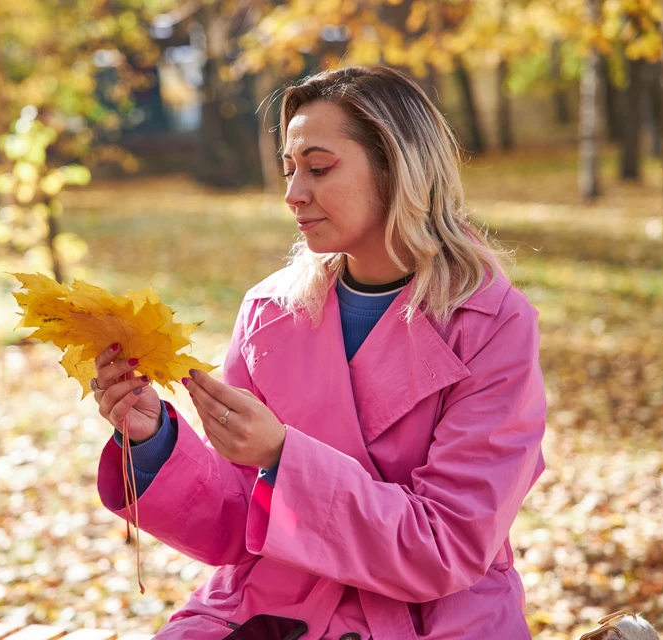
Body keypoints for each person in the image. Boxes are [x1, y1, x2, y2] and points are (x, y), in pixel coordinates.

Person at [88, 65, 547, 639]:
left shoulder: (492, 324)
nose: (292, 193)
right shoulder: (268, 312)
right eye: (288, 169)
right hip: (274, 608)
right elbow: (236, 526)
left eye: (319, 168)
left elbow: (445, 546)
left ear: (395, 166)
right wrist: (152, 439)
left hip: (435, 620)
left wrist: (283, 456)